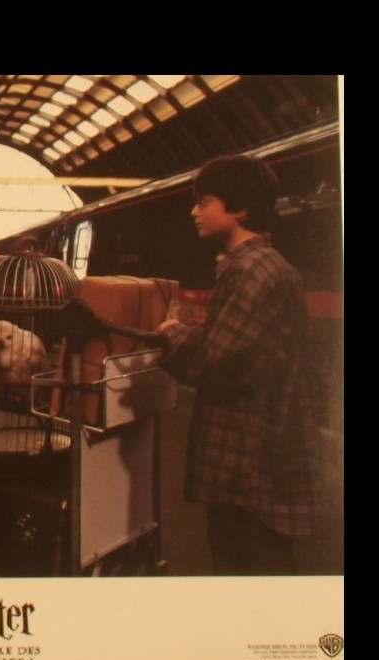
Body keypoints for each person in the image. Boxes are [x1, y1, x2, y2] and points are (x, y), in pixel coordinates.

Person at [157, 155, 321, 576]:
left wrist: (172, 334)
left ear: (240, 209)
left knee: (251, 562)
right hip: (253, 453)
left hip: (251, 458)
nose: (194, 211)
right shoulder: (254, 266)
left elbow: (215, 360)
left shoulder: (253, 270)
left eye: (204, 201)